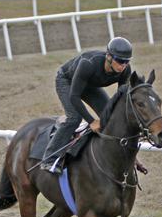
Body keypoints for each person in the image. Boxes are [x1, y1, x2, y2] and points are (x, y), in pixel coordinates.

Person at [40, 37, 147, 175]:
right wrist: (92, 121)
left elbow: (121, 100)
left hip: (90, 85)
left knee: (112, 118)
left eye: (127, 62)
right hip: (67, 81)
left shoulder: (125, 70)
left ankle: (130, 159)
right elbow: (74, 96)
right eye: (120, 61)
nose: (123, 66)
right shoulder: (88, 64)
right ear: (108, 56)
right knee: (74, 118)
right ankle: (49, 159)